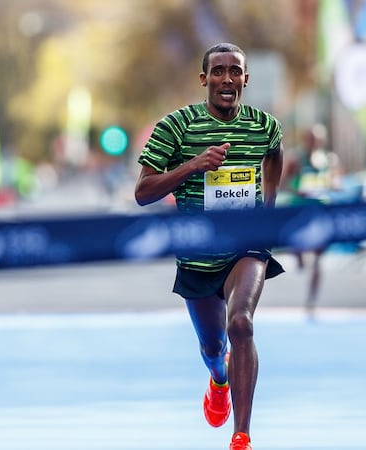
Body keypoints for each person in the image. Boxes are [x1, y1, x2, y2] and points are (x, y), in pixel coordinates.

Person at [134, 42, 284, 450]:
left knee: (241, 325)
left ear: (245, 80)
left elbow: (274, 157)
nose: (227, 79)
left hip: (246, 248)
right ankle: (218, 378)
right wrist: (193, 165)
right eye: (218, 72)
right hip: (198, 253)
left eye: (235, 72)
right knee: (214, 345)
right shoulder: (176, 127)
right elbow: (143, 192)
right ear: (204, 79)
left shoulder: (264, 126)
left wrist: (265, 214)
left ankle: (242, 436)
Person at [279, 123, 341, 318]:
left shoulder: (330, 160)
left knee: (317, 258)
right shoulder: (296, 159)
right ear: (306, 139)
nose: (315, 142)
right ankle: (297, 253)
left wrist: (332, 188)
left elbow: (335, 182)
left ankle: (311, 300)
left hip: (321, 209)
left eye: (319, 139)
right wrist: (300, 192)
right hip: (300, 209)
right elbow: (283, 184)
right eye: (312, 138)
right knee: (298, 244)